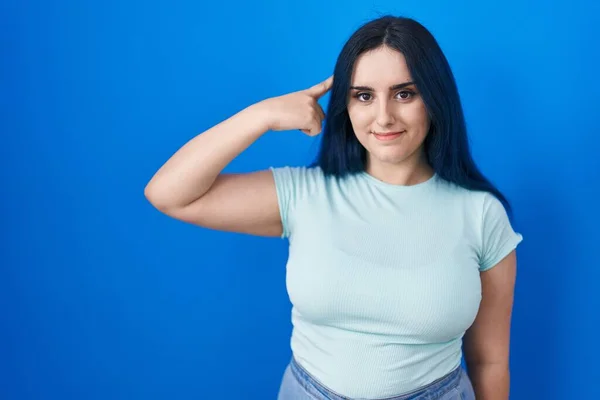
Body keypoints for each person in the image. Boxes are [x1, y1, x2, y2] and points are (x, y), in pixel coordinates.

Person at [144, 14, 523, 400]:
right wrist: (261, 116)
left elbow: (490, 362)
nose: (383, 116)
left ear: (434, 97)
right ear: (346, 105)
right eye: (364, 95)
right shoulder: (305, 194)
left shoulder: (481, 214)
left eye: (404, 93)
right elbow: (168, 193)